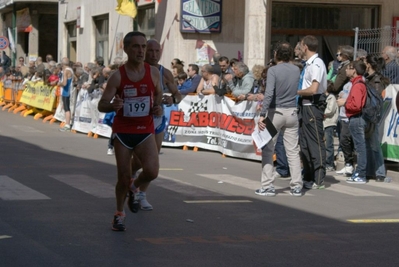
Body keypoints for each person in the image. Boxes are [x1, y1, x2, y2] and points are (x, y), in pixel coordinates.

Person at [98, 31, 163, 231]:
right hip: (123, 131)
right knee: (123, 177)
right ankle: (119, 213)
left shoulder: (152, 72)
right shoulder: (118, 76)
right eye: (136, 46)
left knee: (152, 171)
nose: (141, 51)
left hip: (145, 129)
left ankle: (134, 189)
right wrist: (114, 105)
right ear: (126, 49)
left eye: (143, 46)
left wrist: (158, 106)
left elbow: (159, 93)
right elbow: (102, 105)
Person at [129, 38, 182, 211]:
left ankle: (141, 193)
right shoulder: (134, 69)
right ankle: (129, 175)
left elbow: (177, 95)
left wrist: (171, 99)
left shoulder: (164, 72)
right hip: (138, 120)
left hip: (157, 121)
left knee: (152, 159)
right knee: (139, 160)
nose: (153, 54)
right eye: (150, 51)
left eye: (157, 51)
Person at [255, 41, 302, 197]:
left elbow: (269, 94)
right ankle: (296, 185)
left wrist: (262, 114)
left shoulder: (273, 70)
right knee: (293, 151)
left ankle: (267, 186)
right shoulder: (296, 69)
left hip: (276, 112)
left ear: (276, 55)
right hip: (292, 112)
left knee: (268, 149)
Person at [297, 35, 328, 189]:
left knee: (315, 141)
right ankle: (307, 175)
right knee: (304, 143)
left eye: (301, 45)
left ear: (305, 47)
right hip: (305, 106)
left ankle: (319, 178)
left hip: (312, 106)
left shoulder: (316, 64)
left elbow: (314, 89)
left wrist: (296, 92)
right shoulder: (308, 64)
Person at [364, 55, 389, 182]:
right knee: (368, 144)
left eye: (365, 62)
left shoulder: (376, 81)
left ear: (368, 64)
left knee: (374, 145)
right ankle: (369, 171)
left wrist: (371, 115)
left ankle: (380, 172)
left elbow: (376, 101)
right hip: (368, 114)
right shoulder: (368, 78)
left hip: (372, 116)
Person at [344, 60, 368, 184]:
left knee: (360, 147)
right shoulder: (357, 83)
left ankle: (361, 174)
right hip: (355, 117)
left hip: (356, 117)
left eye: (348, 68)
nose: (346, 70)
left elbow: (357, 105)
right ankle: (360, 173)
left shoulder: (358, 84)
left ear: (354, 70)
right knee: (360, 146)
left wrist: (345, 103)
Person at [324, 81, 339, 171]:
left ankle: (330, 163)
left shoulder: (331, 97)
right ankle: (326, 162)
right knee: (324, 144)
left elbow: (330, 110)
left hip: (329, 123)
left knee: (329, 144)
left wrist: (322, 113)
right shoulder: (324, 97)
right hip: (323, 123)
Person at [58, 57, 74, 132]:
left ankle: (67, 125)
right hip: (69, 91)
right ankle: (67, 123)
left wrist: (59, 84)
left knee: (67, 108)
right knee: (66, 107)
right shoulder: (70, 70)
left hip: (66, 91)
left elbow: (64, 83)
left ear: (62, 64)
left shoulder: (66, 71)